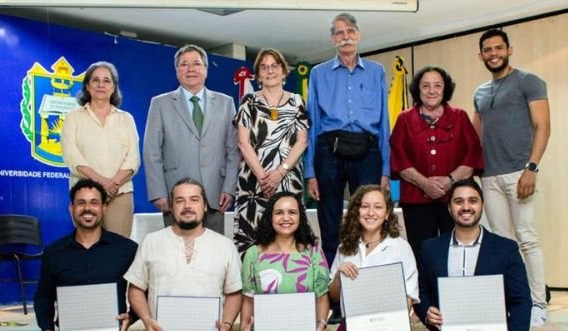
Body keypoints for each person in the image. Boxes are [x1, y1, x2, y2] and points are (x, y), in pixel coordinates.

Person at [414, 178, 532, 331]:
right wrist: (426, 311)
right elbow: (421, 292)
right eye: (458, 201)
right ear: (449, 208)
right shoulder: (430, 248)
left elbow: (521, 301)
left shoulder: (506, 249)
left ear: (482, 205)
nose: (466, 207)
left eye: (472, 201)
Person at [125, 177, 242, 331]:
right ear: (171, 206)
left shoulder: (224, 246)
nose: (187, 206)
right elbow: (135, 289)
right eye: (180, 200)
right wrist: (146, 319)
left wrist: (227, 324)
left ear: (205, 205)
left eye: (194, 200)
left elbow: (234, 293)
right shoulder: (152, 242)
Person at [33, 178, 139, 331]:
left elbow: (144, 293)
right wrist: (47, 329)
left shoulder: (127, 249)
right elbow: (44, 296)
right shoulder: (54, 253)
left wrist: (132, 316)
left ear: (104, 207)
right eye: (81, 203)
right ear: (71, 208)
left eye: (94, 202)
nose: (87, 208)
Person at [471, 28, 552, 327]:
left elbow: (543, 126)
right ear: (480, 55)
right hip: (489, 177)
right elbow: (476, 137)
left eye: (498, 48)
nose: (493, 54)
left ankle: (538, 304)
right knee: (503, 244)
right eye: (487, 50)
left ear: (509, 50)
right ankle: (512, 301)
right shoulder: (479, 93)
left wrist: (532, 168)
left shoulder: (529, 81)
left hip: (520, 172)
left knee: (527, 239)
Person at [305, 12, 391, 267]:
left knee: (369, 215)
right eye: (339, 33)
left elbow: (384, 123)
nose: (346, 37)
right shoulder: (318, 73)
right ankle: (333, 279)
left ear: (358, 35)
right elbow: (313, 123)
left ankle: (369, 272)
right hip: (328, 149)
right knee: (329, 218)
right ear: (333, 39)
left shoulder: (376, 71)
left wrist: (385, 170)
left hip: (368, 149)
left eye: (350, 31)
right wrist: (310, 172)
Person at [238, 192, 333, 331]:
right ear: (270, 217)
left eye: (292, 212)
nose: (286, 218)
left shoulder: (313, 253)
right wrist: (243, 328)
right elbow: (248, 299)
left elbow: (322, 298)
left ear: (301, 217)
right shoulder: (253, 254)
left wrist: (321, 326)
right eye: (279, 212)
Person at [328, 185, 419, 331]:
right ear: (356, 211)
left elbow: (408, 297)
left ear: (387, 213)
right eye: (365, 206)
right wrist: (338, 275)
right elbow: (334, 296)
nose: (371, 212)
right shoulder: (345, 247)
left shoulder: (400, 248)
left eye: (378, 207)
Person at [390, 65, 484, 262]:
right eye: (425, 86)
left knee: (457, 250)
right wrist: (424, 183)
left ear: (445, 89)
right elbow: (398, 157)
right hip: (415, 200)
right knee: (421, 253)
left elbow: (473, 155)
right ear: (418, 89)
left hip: (455, 198)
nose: (431, 91)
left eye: (437, 86)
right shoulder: (404, 118)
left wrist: (450, 181)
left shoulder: (460, 116)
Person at [144, 44, 241, 233]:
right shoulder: (160, 104)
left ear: (206, 69)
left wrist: (229, 188)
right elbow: (152, 151)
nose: (190, 69)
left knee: (212, 248)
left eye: (196, 63)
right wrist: (158, 193)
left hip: (215, 194)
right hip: (175, 196)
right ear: (176, 70)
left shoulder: (226, 103)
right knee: (176, 248)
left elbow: (233, 151)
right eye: (184, 64)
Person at [232, 48, 309, 252]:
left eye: (274, 66)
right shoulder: (248, 101)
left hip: (288, 179)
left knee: (288, 236)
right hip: (253, 182)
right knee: (252, 237)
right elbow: (243, 142)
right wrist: (263, 177)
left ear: (284, 71)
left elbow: (302, 141)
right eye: (264, 67)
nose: (270, 70)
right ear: (258, 74)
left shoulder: (297, 101)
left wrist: (280, 173)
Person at [61, 61, 141, 238]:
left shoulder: (126, 119)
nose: (101, 85)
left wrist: (114, 184)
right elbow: (73, 158)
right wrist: (102, 184)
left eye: (106, 81)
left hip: (120, 194)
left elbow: (133, 159)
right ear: (87, 86)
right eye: (95, 80)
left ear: (113, 88)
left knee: (118, 249)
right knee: (87, 246)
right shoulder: (73, 118)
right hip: (85, 195)